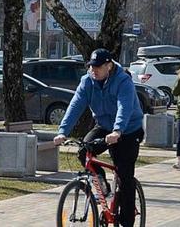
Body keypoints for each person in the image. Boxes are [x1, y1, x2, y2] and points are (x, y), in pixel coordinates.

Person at [53, 49, 144, 227]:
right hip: (103, 125)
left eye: (98, 67)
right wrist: (63, 131)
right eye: (91, 67)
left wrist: (118, 131)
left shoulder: (122, 81)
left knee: (124, 175)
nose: (94, 71)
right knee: (83, 150)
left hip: (129, 130)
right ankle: (101, 182)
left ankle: (127, 222)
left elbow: (124, 107)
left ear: (109, 66)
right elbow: (76, 104)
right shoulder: (87, 81)